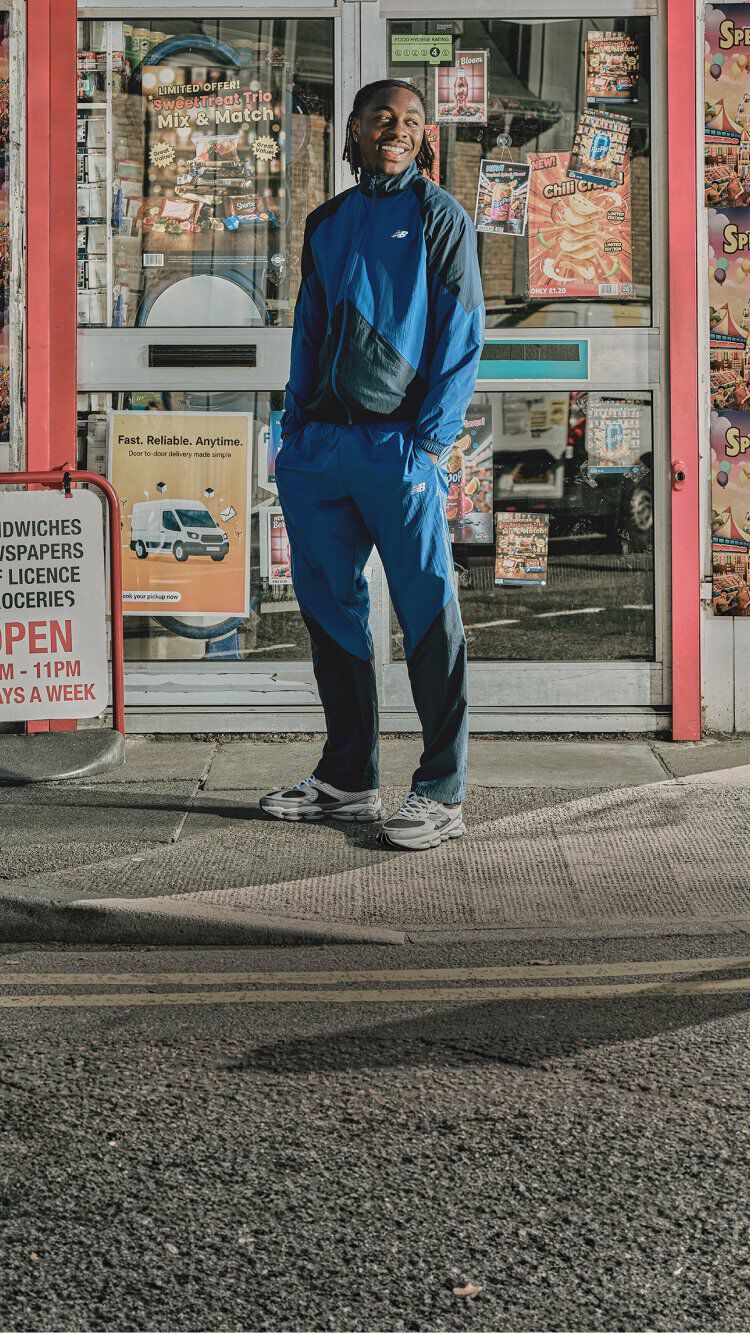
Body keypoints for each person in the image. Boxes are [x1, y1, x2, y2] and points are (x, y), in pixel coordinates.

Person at [259, 78, 485, 851]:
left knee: (429, 622)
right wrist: (293, 436)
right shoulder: (326, 221)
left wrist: (430, 444)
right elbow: (309, 334)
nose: (397, 129)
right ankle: (348, 781)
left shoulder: (439, 216)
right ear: (351, 131)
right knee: (332, 618)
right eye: (382, 117)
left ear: (425, 140)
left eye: (412, 121)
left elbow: (462, 340)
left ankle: (441, 792)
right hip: (319, 454)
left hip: (400, 451)